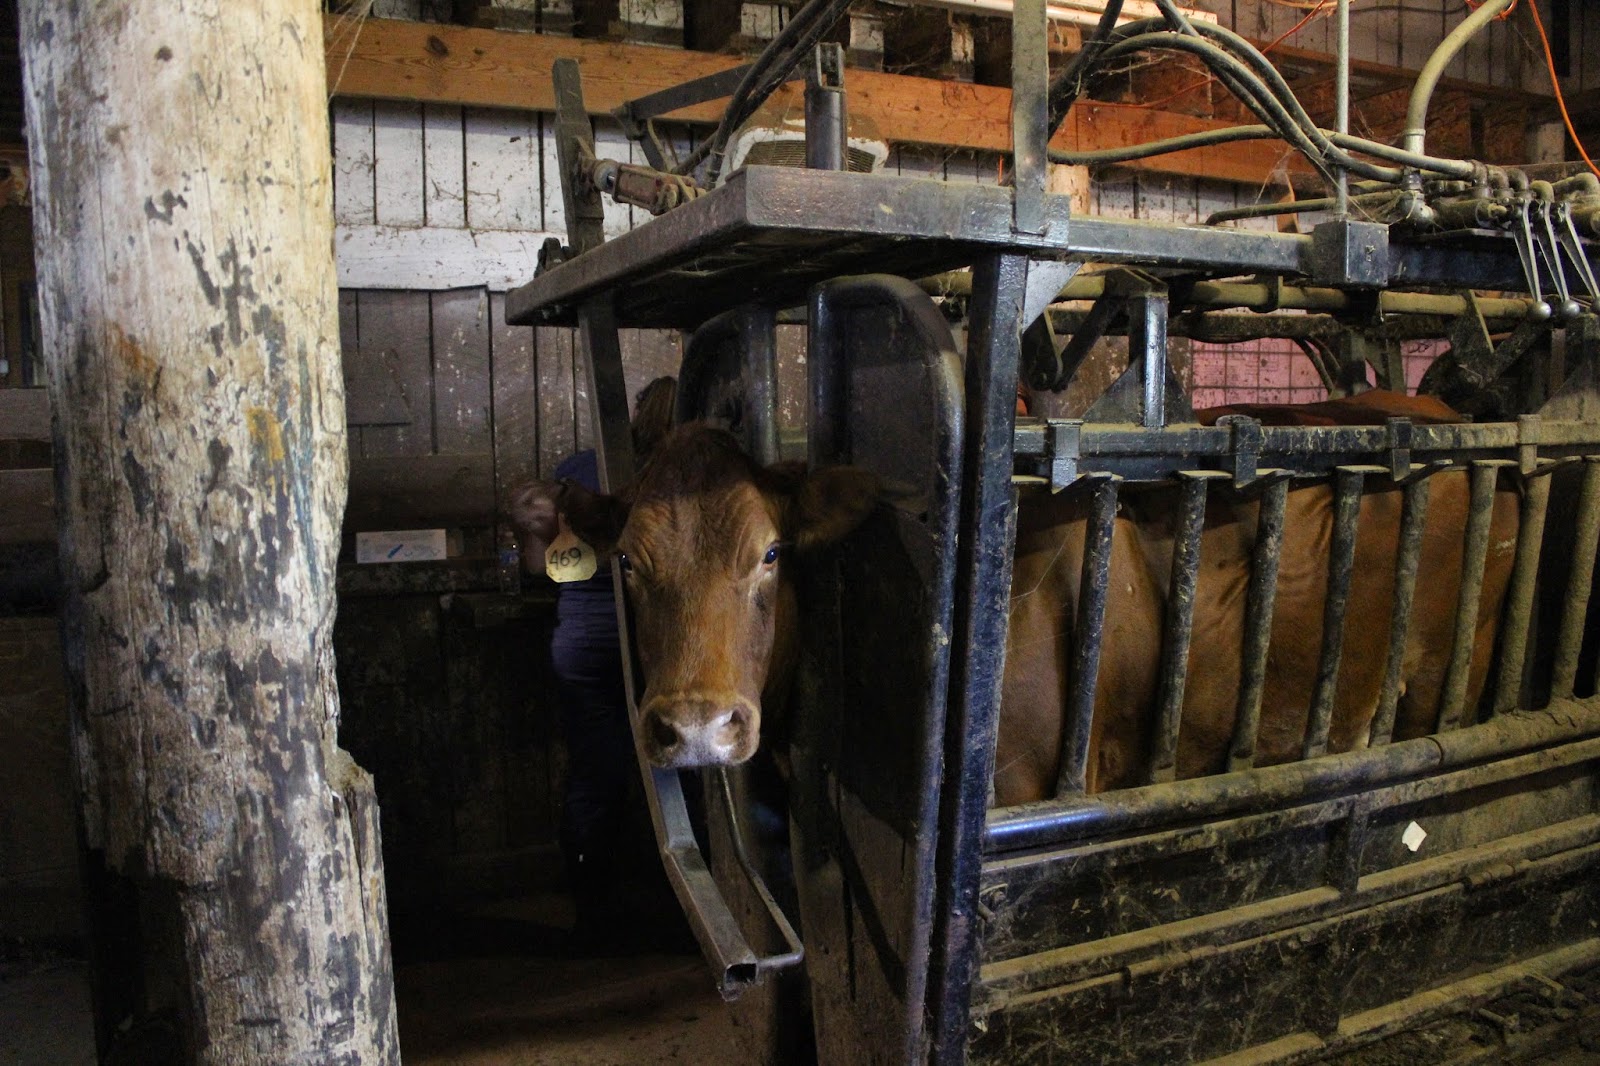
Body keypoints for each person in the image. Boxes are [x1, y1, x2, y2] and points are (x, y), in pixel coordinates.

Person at [510, 376, 679, 951]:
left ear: (632, 410)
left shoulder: (579, 470)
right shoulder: (682, 471)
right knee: (677, 778)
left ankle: (596, 913)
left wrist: (533, 531)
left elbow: (552, 569)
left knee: (597, 774)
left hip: (589, 644)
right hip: (659, 646)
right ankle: (678, 907)